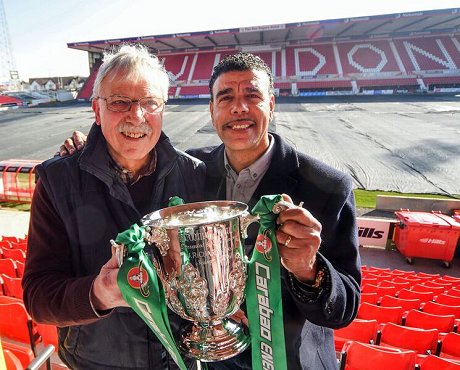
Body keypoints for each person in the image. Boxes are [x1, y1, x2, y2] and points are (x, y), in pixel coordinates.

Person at [59, 52, 361, 370]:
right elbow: (131, 170)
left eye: (252, 96)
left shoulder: (327, 186)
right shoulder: (189, 171)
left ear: (271, 105)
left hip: (290, 362)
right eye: (225, 96)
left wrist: (308, 269)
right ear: (212, 110)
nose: (238, 107)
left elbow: (345, 308)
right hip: (205, 358)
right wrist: (85, 152)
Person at [22, 44, 205, 370]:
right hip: (97, 363)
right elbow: (38, 299)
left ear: (163, 109)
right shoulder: (56, 181)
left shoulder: (193, 174)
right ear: (97, 110)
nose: (137, 116)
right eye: (120, 102)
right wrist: (98, 294)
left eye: (150, 102)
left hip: (181, 359)